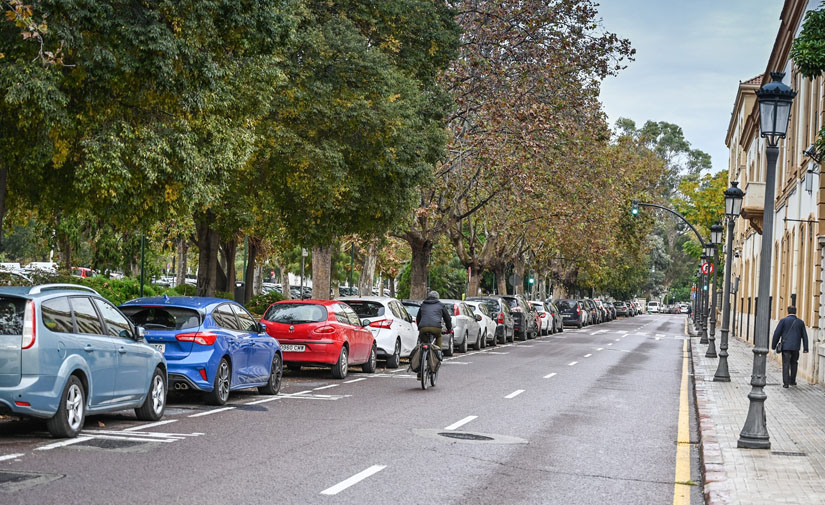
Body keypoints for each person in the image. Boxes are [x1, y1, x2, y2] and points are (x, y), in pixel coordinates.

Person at [771, 306, 809, 388]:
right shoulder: (800, 322)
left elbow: (777, 333)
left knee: (786, 364)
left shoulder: (783, 321)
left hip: (786, 347)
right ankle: (792, 381)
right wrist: (806, 348)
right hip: (796, 347)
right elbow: (804, 336)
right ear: (795, 312)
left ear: (788, 312)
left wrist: (773, 346)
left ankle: (786, 383)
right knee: (794, 363)